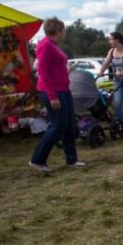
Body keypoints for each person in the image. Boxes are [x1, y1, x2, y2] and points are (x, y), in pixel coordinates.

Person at [29, 17, 86, 173]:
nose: (65, 33)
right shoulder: (45, 45)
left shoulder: (53, 45)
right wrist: (52, 96)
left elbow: (54, 69)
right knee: (58, 125)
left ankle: (72, 159)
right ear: (58, 30)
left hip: (63, 89)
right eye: (63, 30)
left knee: (68, 124)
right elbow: (42, 72)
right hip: (54, 91)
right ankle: (37, 159)